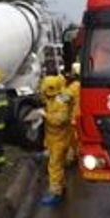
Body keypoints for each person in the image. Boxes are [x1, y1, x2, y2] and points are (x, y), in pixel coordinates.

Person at [40, 75, 72, 207]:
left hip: (59, 140)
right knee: (59, 166)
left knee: (54, 167)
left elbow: (59, 120)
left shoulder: (60, 102)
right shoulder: (55, 98)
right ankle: (61, 187)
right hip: (55, 139)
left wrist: (45, 115)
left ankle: (55, 194)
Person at [64, 62, 81, 167]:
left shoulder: (74, 86)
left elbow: (64, 98)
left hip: (75, 117)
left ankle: (71, 158)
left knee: (73, 139)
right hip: (85, 117)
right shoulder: (87, 85)